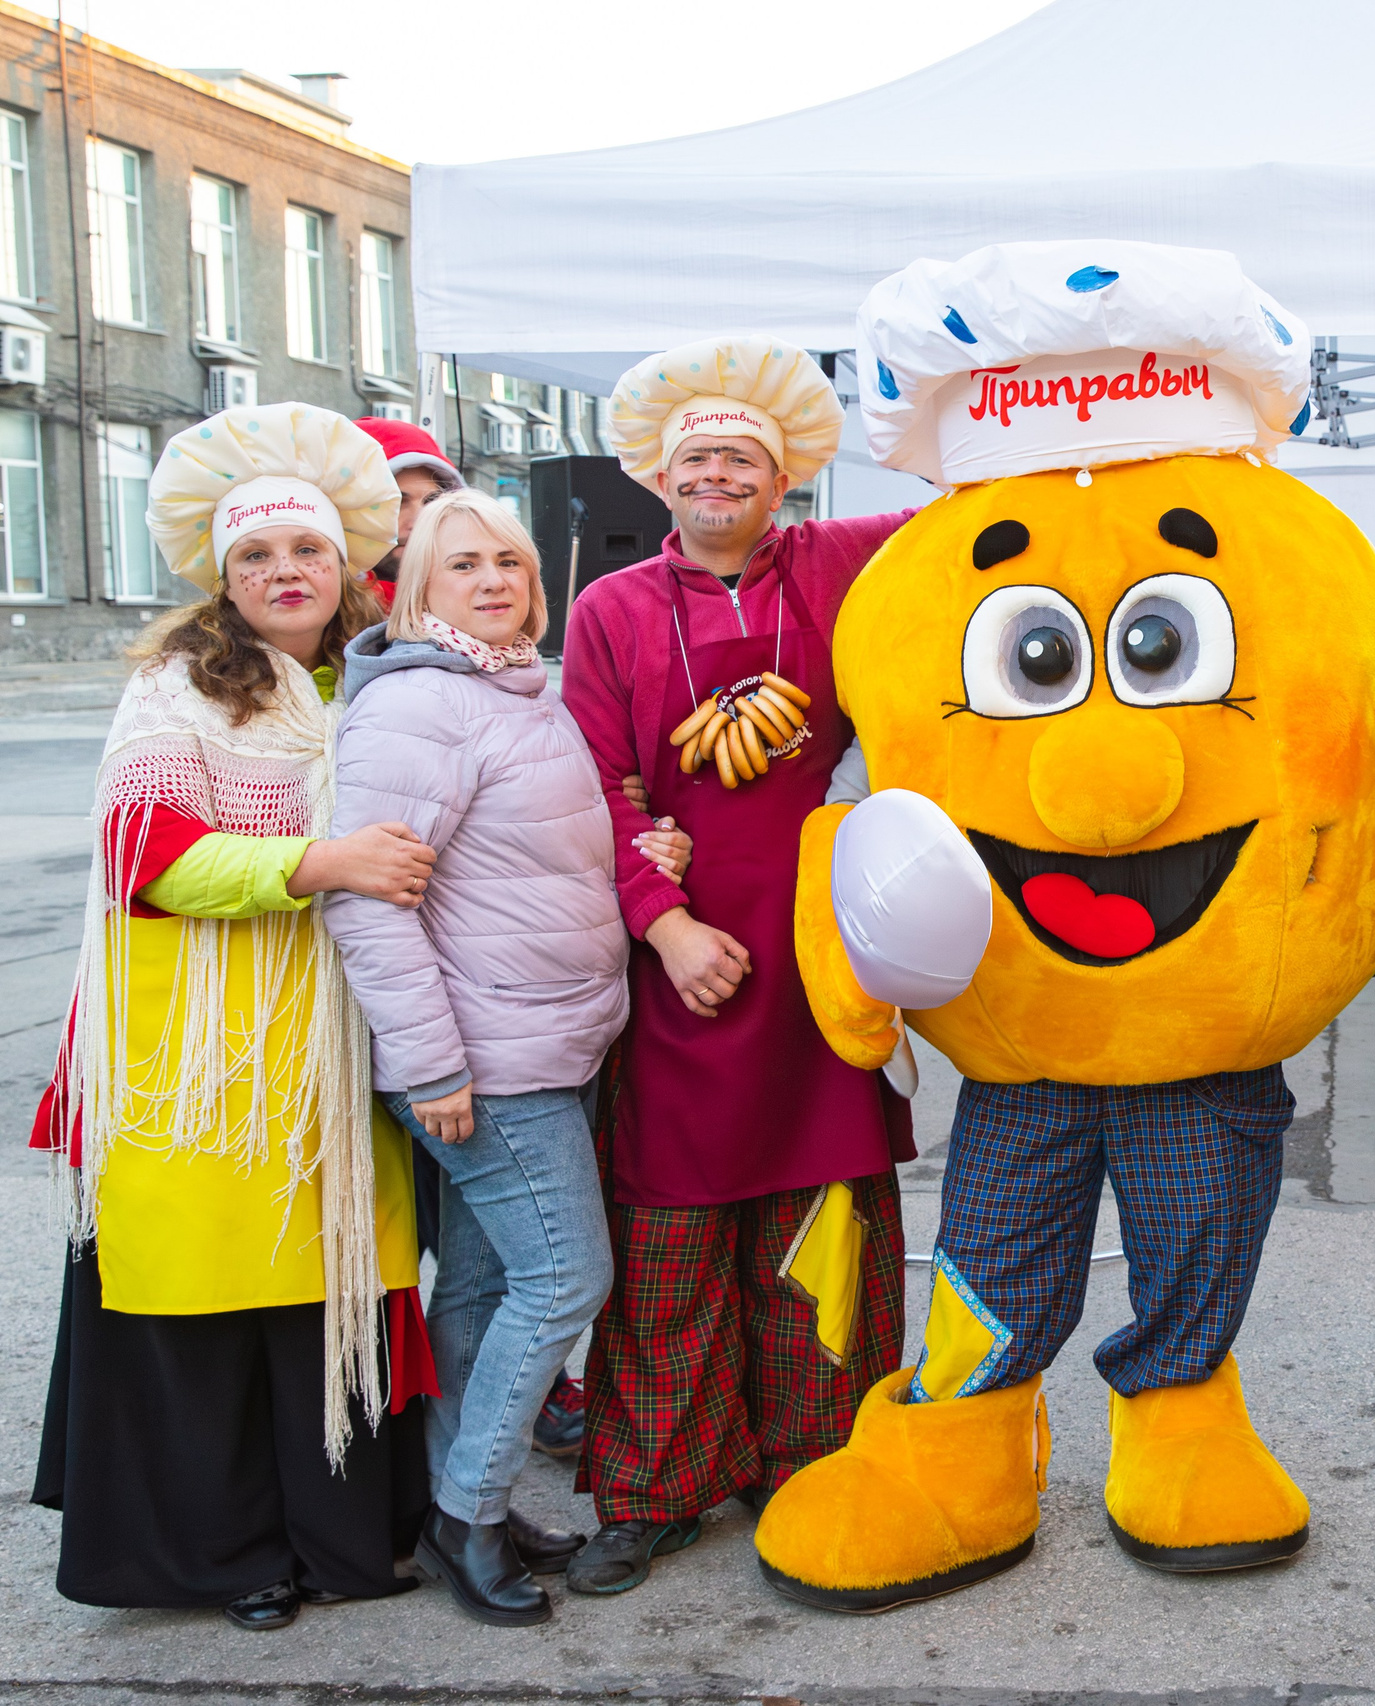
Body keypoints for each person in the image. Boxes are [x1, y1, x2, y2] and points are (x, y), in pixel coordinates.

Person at [30, 404, 438, 1630]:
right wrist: (314, 862)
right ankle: (221, 1553)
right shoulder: (175, 692)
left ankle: (344, 1533)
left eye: (305, 552)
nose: (283, 574)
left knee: (328, 1288)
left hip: (335, 1038)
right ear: (225, 577)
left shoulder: (377, 681)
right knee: (204, 1300)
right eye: (256, 558)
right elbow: (141, 852)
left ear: (345, 566)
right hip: (189, 1052)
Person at [558, 335, 916, 1595]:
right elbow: (588, 784)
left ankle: (815, 1457)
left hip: (820, 953)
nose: (717, 473)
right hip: (680, 959)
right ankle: (655, 1486)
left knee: (823, 1218)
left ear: (785, 479)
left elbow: (973, 510)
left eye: (743, 457)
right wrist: (662, 921)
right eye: (697, 456)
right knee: (668, 1234)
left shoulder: (838, 564)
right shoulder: (606, 609)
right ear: (662, 475)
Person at [326, 489, 686, 1625]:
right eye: (463, 564)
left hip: (552, 1038)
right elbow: (371, 906)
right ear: (419, 586)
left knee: (483, 1287)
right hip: (485, 1057)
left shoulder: (519, 688)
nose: (493, 581)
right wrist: (430, 1066)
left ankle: (456, 1493)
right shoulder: (417, 709)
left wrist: (646, 845)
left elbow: (535, 852)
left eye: (512, 563)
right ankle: (466, 1510)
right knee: (567, 1277)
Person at [355, 416, 465, 599]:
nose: (420, 521)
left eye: (432, 501)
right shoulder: (312, 619)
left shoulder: (476, 605)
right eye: (396, 503)